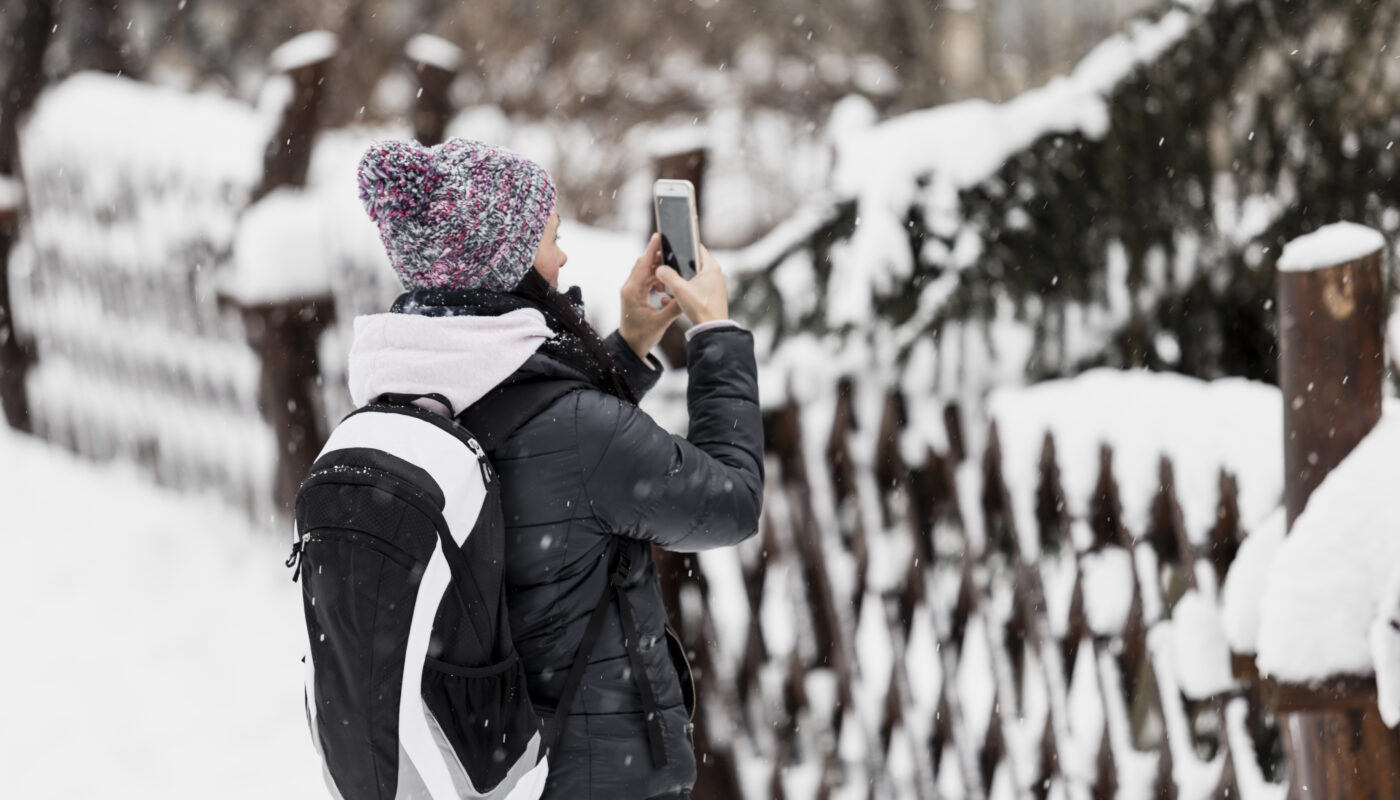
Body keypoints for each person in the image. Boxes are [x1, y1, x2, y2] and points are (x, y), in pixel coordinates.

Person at [349, 137, 764, 800]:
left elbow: (541, 446)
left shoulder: (409, 399)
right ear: (508, 263)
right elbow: (734, 504)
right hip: (595, 778)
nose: (563, 256)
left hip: (480, 772)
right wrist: (714, 334)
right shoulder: (574, 431)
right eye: (550, 238)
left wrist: (627, 346)